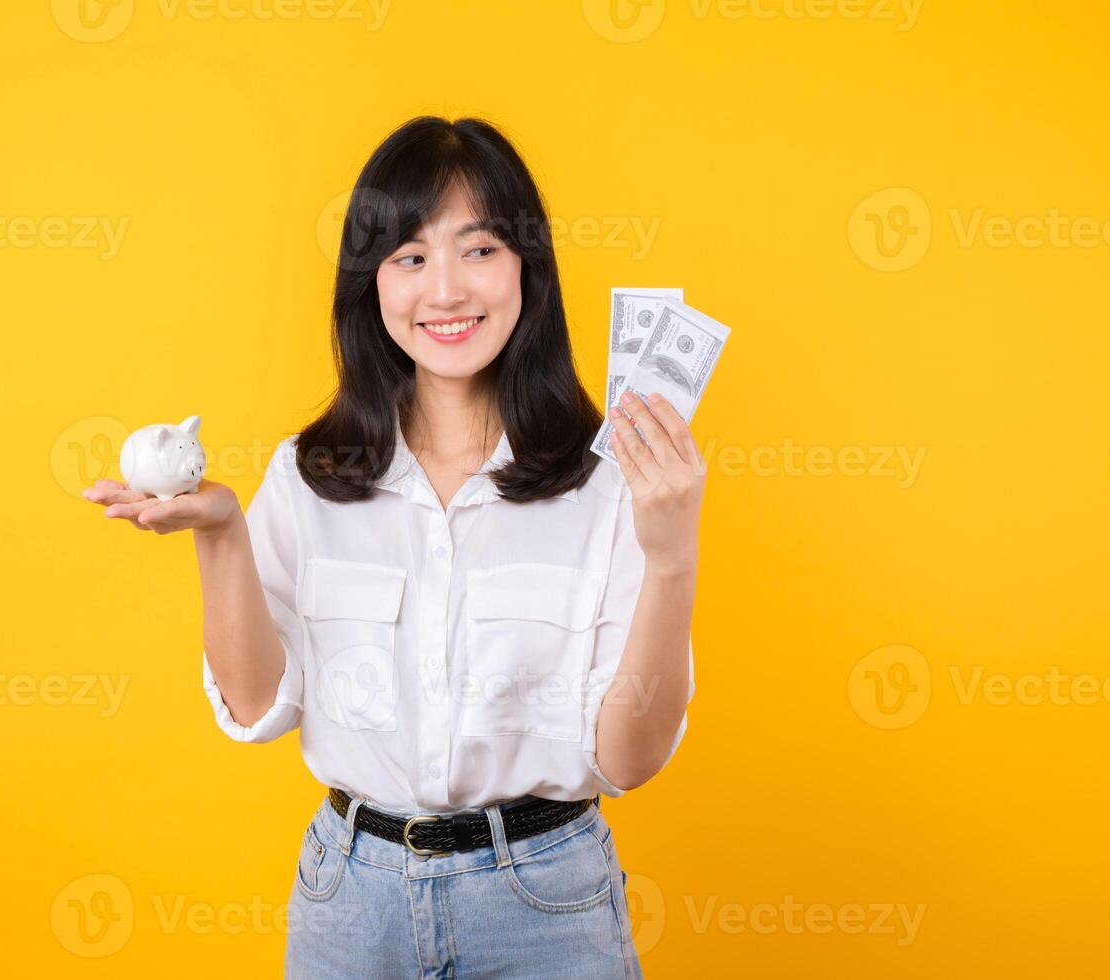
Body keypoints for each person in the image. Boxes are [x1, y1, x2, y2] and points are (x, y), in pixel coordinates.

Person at [83, 115, 701, 979]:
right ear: (370, 283)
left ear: (528, 267)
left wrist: (671, 557)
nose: (444, 290)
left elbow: (629, 761)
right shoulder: (309, 475)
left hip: (546, 909)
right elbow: (257, 708)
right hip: (350, 904)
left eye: (478, 249)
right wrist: (221, 536)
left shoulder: (606, 483)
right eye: (409, 257)